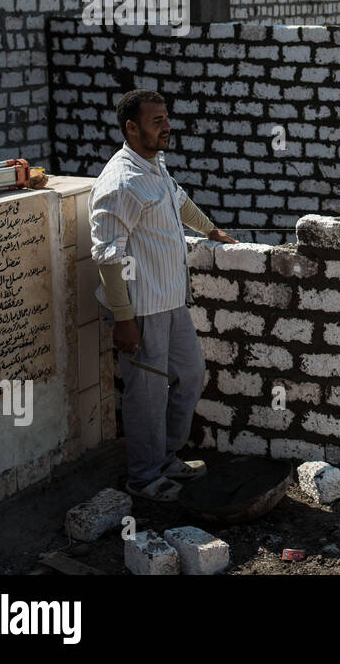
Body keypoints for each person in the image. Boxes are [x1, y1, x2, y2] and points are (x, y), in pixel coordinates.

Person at [89, 89, 237, 502]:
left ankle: (166, 456)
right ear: (131, 128)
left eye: (166, 117)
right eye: (157, 121)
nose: (167, 125)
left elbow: (180, 202)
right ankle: (143, 476)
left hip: (171, 302)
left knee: (189, 375)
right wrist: (123, 317)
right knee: (147, 395)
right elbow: (106, 255)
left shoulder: (154, 166)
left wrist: (210, 230)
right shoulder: (121, 183)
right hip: (141, 309)